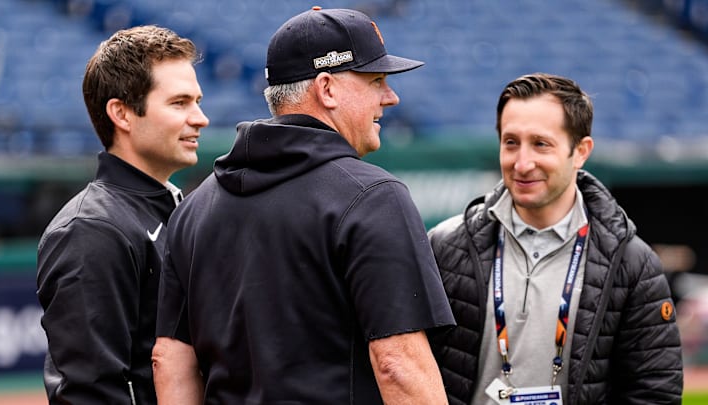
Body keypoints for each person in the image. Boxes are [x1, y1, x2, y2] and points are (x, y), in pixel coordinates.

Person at [152, 6, 455, 404]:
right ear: (327, 88)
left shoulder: (194, 208)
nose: (391, 97)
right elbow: (398, 366)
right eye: (376, 80)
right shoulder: (373, 196)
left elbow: (170, 360)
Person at [428, 73, 683, 404]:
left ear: (580, 151)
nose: (522, 163)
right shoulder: (446, 246)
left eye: (540, 143)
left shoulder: (632, 263)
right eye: (510, 142)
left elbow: (654, 393)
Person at [36, 25, 209, 404]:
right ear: (122, 114)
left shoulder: (176, 209)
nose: (201, 118)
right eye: (180, 103)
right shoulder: (90, 229)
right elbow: (89, 392)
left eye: (197, 101)